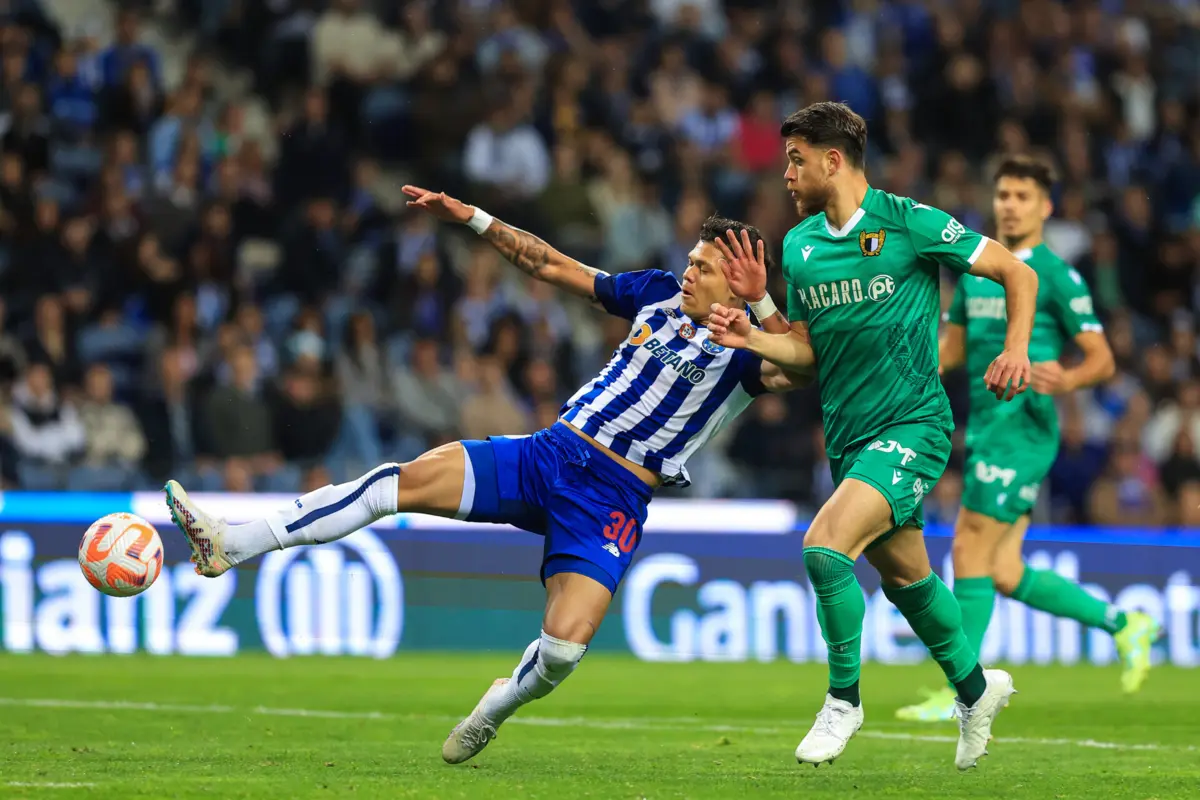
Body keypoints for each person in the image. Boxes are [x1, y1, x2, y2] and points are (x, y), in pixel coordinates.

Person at [163, 187, 807, 765]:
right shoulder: (657, 293)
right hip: (549, 454)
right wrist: (471, 217)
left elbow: (804, 370)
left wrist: (763, 308)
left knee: (562, 650)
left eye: (704, 267)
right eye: (692, 260)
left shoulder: (752, 351)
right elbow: (549, 264)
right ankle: (232, 541)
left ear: (738, 283)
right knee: (399, 480)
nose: (689, 271)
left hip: (611, 500)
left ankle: (495, 707)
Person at [707, 101, 1039, 771]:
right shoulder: (800, 247)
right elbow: (806, 358)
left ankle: (843, 700)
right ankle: (976, 691)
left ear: (835, 160)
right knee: (908, 582)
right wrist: (754, 325)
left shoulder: (910, 224)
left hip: (914, 425)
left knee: (825, 549)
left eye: (797, 161)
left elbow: (1017, 271)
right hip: (851, 439)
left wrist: (1016, 348)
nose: (787, 176)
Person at [894, 156, 1159, 723]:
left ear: (1046, 207)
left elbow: (1102, 359)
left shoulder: (1057, 276)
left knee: (968, 548)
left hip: (1025, 429)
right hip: (990, 426)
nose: (1010, 204)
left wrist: (1068, 376)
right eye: (1004, 194)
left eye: (1022, 196)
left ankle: (961, 689)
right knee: (1004, 569)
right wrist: (901, 372)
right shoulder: (977, 270)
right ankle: (1124, 624)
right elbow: (954, 351)